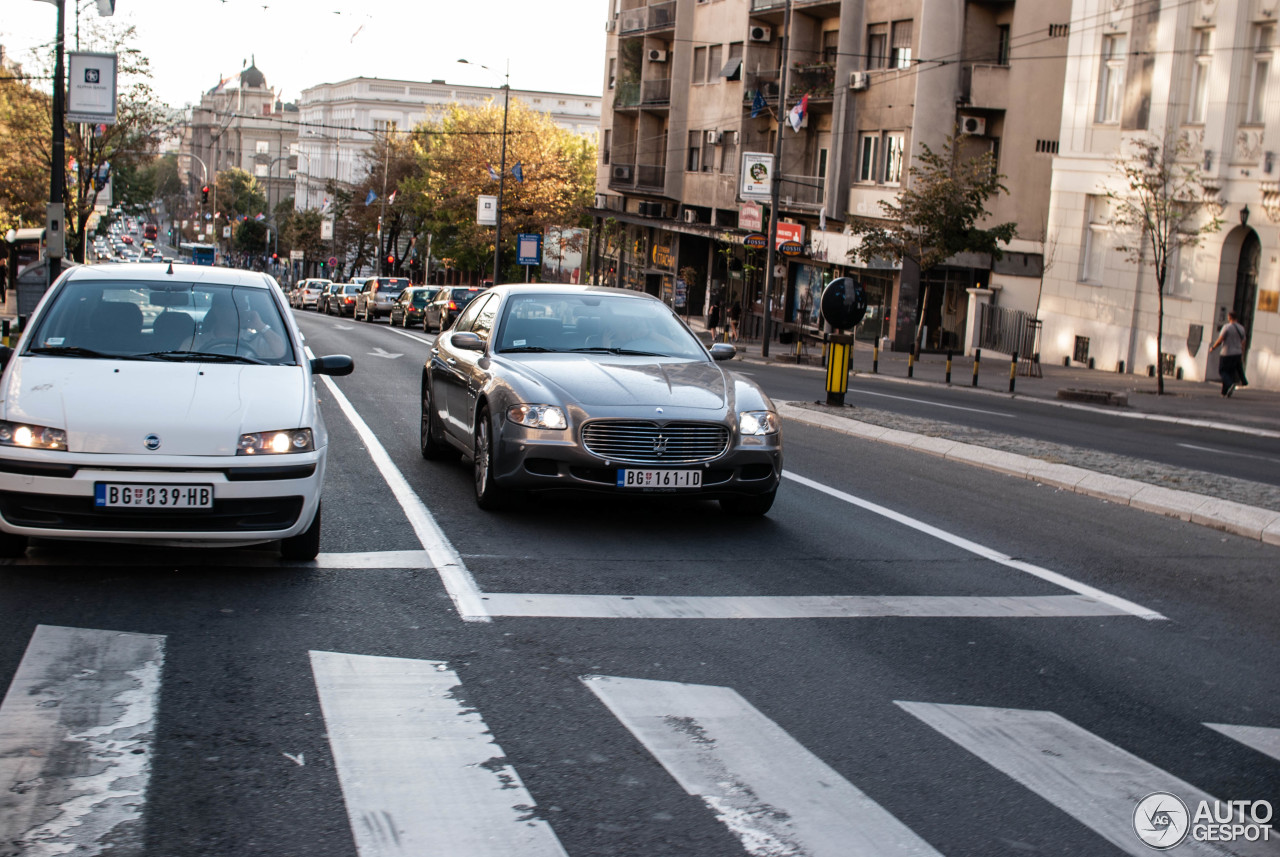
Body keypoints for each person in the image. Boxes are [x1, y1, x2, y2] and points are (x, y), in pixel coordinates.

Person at [1209, 310, 1247, 397]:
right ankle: (1224, 392)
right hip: (1237, 353)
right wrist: (1242, 353)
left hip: (1227, 353)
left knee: (1222, 371)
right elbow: (1243, 342)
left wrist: (1213, 347)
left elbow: (1221, 339)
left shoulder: (1227, 327)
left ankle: (1230, 384)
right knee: (1230, 372)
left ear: (1229, 317)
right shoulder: (1241, 328)